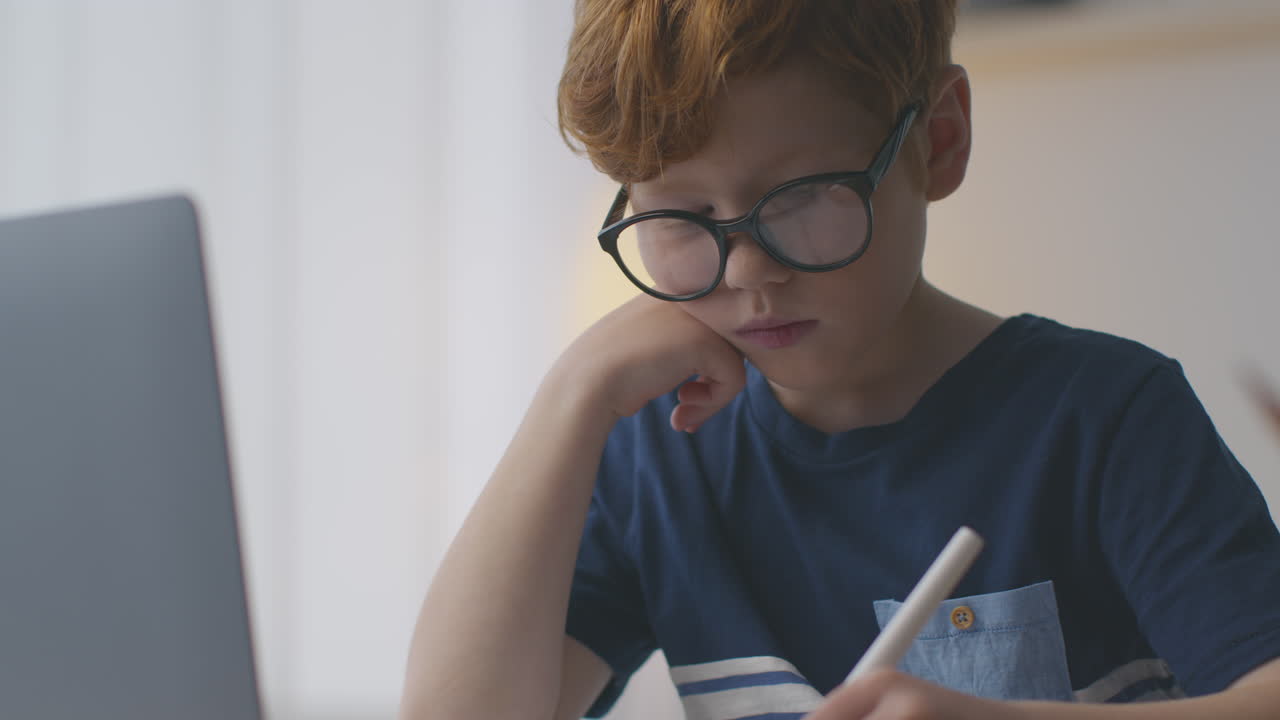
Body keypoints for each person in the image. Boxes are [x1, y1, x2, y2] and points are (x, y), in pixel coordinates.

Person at [399, 2, 1280, 718]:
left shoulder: (1104, 415)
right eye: (678, 215)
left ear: (938, 140)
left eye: (805, 195)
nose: (749, 271)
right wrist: (572, 394)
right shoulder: (657, 455)